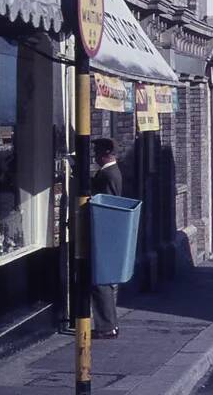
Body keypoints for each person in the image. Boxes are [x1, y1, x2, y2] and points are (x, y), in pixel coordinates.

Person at [92, 138, 123, 340]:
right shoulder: (113, 172)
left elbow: (105, 202)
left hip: (103, 231)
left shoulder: (107, 175)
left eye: (96, 153)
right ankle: (110, 324)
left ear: (105, 154)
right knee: (106, 281)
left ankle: (107, 326)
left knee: (100, 281)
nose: (94, 156)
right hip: (110, 232)